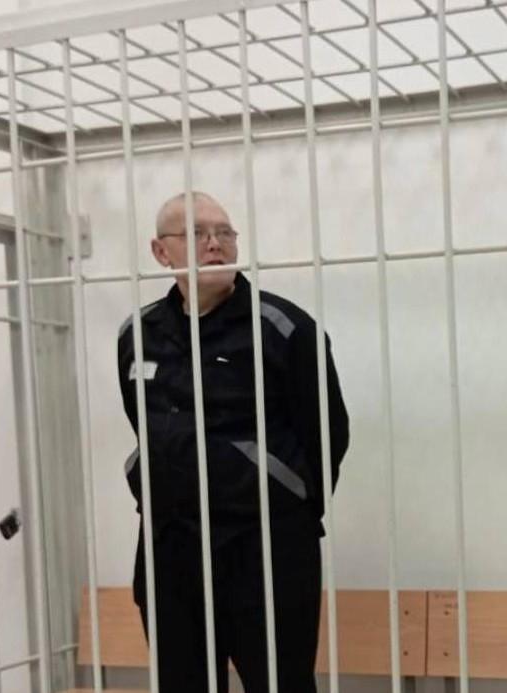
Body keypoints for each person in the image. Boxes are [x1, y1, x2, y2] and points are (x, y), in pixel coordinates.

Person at [117, 191, 350, 693]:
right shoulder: (138, 334)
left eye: (224, 232)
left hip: (264, 548)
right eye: (197, 233)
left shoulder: (283, 329)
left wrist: (287, 504)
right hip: (169, 546)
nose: (215, 244)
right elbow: (143, 424)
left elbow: (328, 434)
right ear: (161, 252)